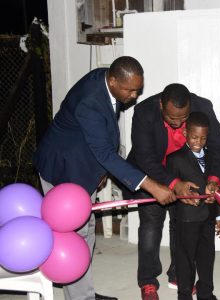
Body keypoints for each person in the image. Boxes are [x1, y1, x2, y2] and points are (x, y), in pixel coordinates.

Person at [33, 56, 176, 300]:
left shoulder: (107, 80)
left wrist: (100, 170)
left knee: (87, 229)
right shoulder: (90, 101)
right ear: (112, 81)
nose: (134, 96)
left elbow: (103, 137)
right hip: (63, 168)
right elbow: (103, 152)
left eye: (137, 90)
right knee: (74, 238)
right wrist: (153, 187)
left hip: (84, 163)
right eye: (130, 90)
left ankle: (82, 289)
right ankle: (81, 297)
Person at [124, 83, 220, 300]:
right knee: (151, 225)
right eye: (172, 119)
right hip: (151, 175)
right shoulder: (144, 112)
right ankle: (148, 281)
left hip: (187, 175)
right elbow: (145, 158)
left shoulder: (203, 107)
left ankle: (179, 275)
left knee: (181, 226)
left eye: (184, 119)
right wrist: (172, 183)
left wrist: (213, 180)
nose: (180, 124)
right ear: (161, 105)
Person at [166, 111, 220, 300]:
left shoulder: (212, 158)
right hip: (186, 220)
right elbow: (171, 189)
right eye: (194, 137)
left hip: (207, 218)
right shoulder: (175, 159)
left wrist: (219, 215)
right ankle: (184, 294)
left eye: (203, 138)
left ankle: (206, 293)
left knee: (207, 258)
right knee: (185, 260)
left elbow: (216, 189)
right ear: (185, 134)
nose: (198, 141)